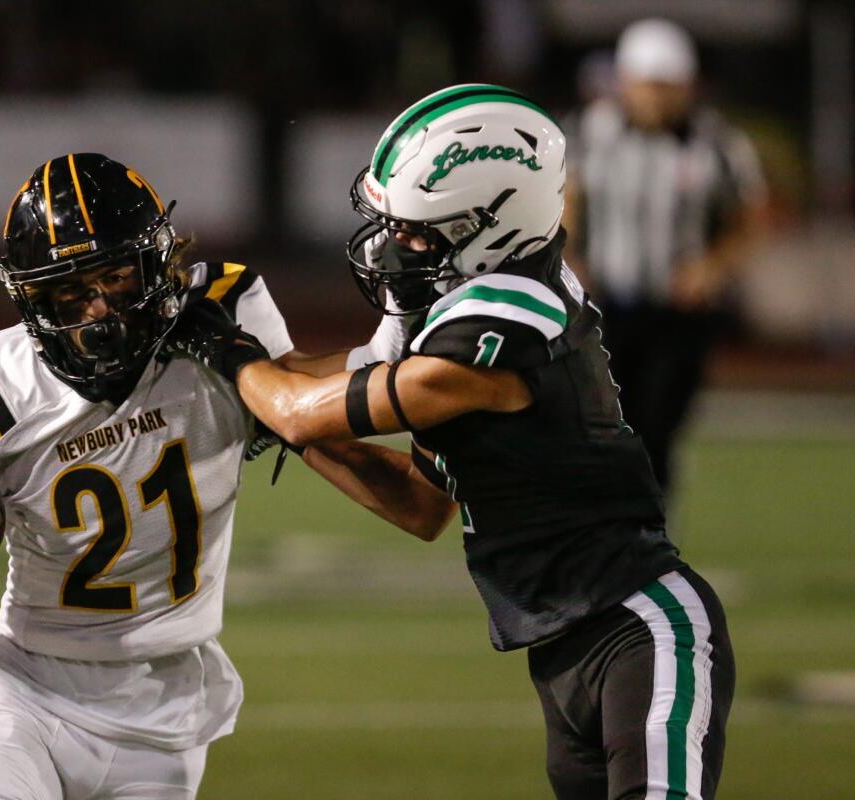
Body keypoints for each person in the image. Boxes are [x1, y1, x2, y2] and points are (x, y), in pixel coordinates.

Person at [170, 84, 736, 800]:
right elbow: (419, 505)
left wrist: (220, 346)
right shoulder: (493, 297)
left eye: (416, 229)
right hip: (566, 647)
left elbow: (301, 410)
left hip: (640, 630)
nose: (391, 246)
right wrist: (256, 391)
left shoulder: (508, 319)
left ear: (491, 225)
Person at [0, 153, 410, 800]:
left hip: (164, 715)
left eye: (115, 279)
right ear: (30, 297)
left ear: (159, 263)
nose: (98, 313)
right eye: (68, 293)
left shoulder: (223, 320)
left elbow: (323, 400)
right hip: (24, 692)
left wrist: (401, 334)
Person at [563, 18, 768, 493]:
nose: (654, 97)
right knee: (603, 427)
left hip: (679, 312)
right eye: (645, 85)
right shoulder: (587, 133)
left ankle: (651, 535)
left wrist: (712, 268)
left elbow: (751, 219)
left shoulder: (717, 142)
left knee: (657, 429)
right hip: (604, 308)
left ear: (687, 86)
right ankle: (611, 533)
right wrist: (572, 262)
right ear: (624, 83)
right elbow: (566, 206)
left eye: (665, 87)